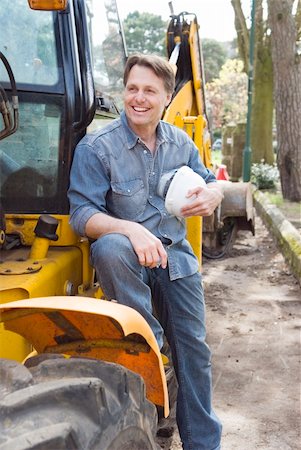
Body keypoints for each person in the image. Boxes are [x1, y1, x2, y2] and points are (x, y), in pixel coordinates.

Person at [68, 54, 223, 450]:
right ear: (124, 91)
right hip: (127, 263)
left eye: (149, 91)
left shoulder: (180, 143)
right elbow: (82, 214)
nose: (138, 98)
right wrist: (131, 229)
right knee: (112, 244)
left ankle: (203, 443)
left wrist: (212, 195)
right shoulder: (97, 147)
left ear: (167, 97)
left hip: (176, 258)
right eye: (132, 88)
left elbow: (210, 182)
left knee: (195, 354)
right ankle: (149, 347)